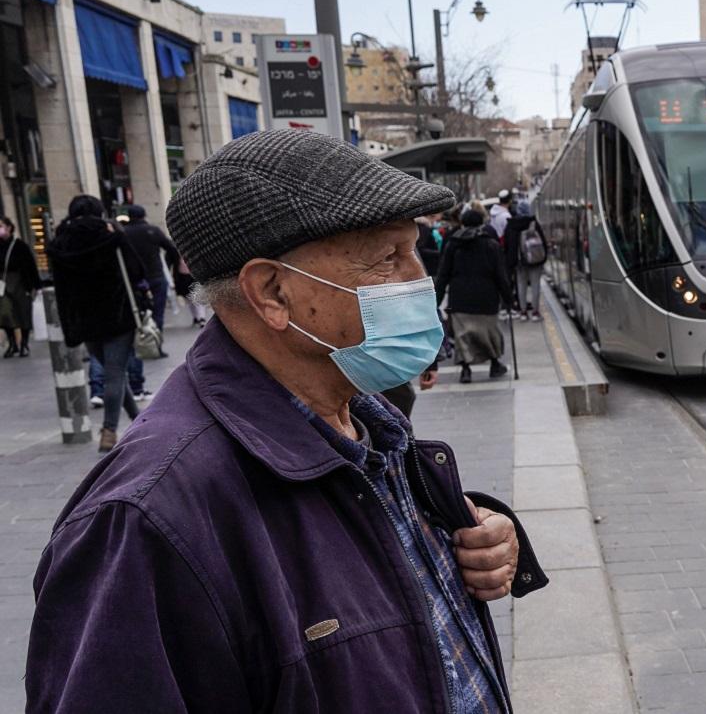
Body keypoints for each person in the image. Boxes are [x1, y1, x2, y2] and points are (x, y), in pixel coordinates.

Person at [27, 130, 545, 713]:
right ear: (273, 293)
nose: (419, 279)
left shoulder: (368, 422)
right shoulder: (146, 520)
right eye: (386, 257)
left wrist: (460, 544)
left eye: (416, 250)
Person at [47, 195, 146, 451]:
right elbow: (136, 270)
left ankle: (139, 421)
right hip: (117, 314)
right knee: (115, 373)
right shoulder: (110, 234)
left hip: (83, 319)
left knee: (113, 371)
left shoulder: (60, 242)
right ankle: (109, 431)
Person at [436, 206, 512, 383]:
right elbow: (500, 275)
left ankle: (466, 369)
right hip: (487, 298)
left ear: (463, 224)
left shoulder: (453, 245)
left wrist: (437, 299)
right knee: (489, 333)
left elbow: (443, 274)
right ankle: (494, 364)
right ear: (481, 224)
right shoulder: (491, 245)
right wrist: (508, 298)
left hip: (460, 298)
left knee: (463, 336)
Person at [121, 204, 179, 332]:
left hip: (134, 279)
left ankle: (142, 337)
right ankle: (156, 341)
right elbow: (171, 248)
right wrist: (170, 266)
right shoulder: (152, 231)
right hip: (156, 275)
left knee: (138, 311)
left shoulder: (123, 233)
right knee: (158, 311)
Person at [0, 215, 40, 357]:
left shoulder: (20, 246)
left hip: (20, 284)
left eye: (1, 226)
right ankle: (12, 343)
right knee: (5, 315)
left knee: (23, 314)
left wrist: (35, 286)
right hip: (2, 285)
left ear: (9, 228)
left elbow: (30, 266)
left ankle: (23, 343)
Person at [503, 203, 548, 321]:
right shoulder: (533, 223)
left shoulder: (511, 224)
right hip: (534, 260)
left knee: (521, 285)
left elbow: (507, 245)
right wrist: (544, 257)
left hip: (519, 262)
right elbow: (543, 241)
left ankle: (522, 312)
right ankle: (535, 312)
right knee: (535, 285)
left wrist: (510, 261)